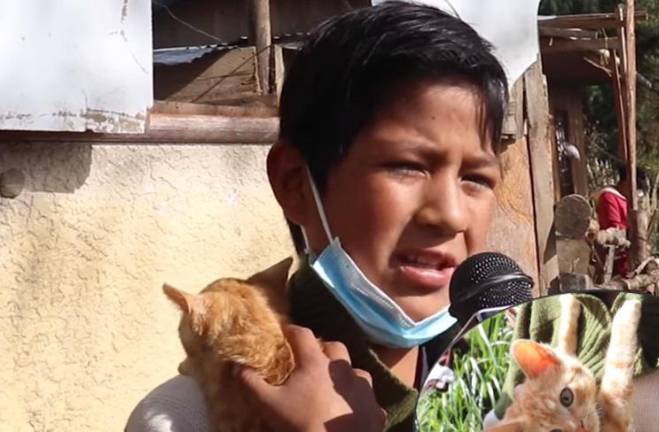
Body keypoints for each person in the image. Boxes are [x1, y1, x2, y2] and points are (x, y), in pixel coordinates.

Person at [126, 2, 509, 431]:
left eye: (476, 178)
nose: (451, 215)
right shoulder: (183, 419)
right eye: (407, 166)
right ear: (294, 183)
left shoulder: (517, 390)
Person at [595, 165, 647, 277]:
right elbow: (613, 226)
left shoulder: (625, 198)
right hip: (614, 256)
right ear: (627, 183)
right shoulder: (609, 197)